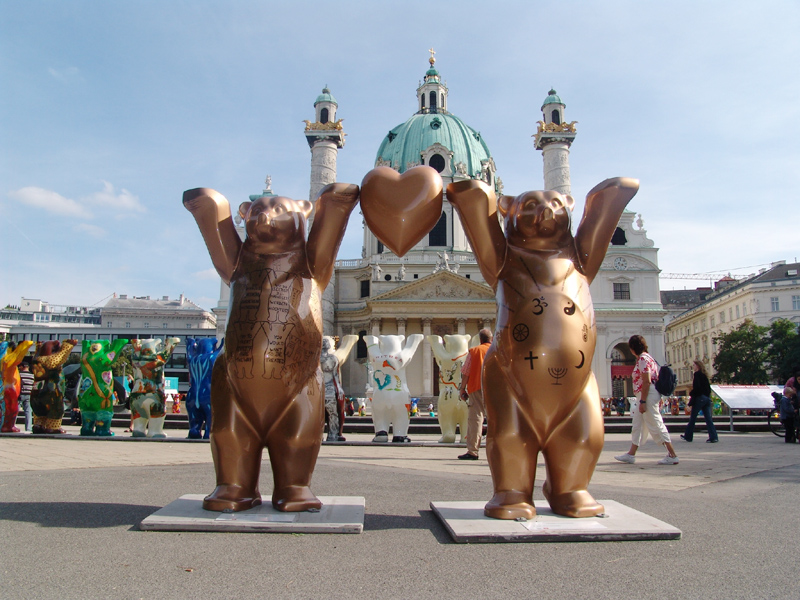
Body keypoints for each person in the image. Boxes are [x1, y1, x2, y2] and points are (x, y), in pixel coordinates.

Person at [615, 335, 679, 465]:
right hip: (645, 395)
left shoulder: (643, 359)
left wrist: (643, 401)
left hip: (647, 395)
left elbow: (646, 380)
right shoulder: (648, 358)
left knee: (656, 423)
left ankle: (672, 455)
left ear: (633, 348)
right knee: (637, 425)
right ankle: (631, 454)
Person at [457, 328, 492, 460]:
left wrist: (462, 389)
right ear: (491, 339)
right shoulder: (499, 351)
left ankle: (472, 451)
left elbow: (466, 372)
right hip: (496, 389)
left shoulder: (474, 351)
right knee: (496, 420)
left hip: (477, 387)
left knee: (476, 419)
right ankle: (496, 450)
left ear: (480, 339)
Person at [680, 360, 719, 443]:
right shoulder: (705, 375)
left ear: (697, 366)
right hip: (706, 398)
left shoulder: (697, 374)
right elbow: (708, 389)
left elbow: (697, 388)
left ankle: (688, 436)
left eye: (694, 365)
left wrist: (691, 398)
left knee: (693, 418)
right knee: (708, 419)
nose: (693, 367)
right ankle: (713, 437)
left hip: (700, 398)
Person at [780, 369, 800, 443]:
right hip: (791, 412)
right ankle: (790, 438)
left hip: (790, 413)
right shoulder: (793, 384)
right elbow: (787, 408)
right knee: (791, 427)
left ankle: (791, 438)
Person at [18, 362, 34, 432]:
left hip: (20, 395)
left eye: (19, 366)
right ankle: (28, 428)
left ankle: (12, 425)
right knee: (28, 411)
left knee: (15, 411)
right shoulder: (32, 376)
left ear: (22, 366)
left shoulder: (19, 375)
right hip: (29, 395)